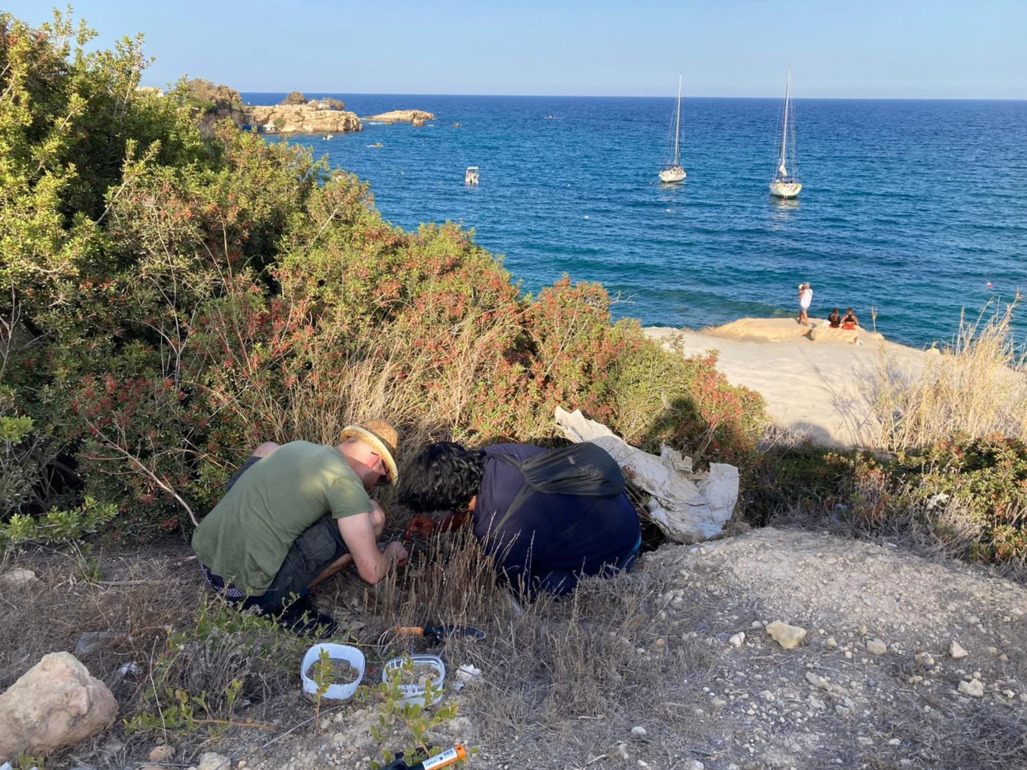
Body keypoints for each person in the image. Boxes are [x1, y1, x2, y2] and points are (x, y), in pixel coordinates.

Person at [192, 421, 409, 636]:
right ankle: (285, 605)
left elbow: (264, 453)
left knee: (269, 448)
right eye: (382, 479)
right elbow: (372, 572)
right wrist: (391, 554)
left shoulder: (296, 447)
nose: (371, 487)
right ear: (375, 461)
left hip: (207, 563)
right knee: (374, 516)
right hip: (247, 596)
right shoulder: (345, 483)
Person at [397, 442, 642, 598]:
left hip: (617, 555)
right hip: (619, 512)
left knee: (540, 586)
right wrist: (440, 525)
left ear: (449, 503)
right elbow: (471, 501)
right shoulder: (494, 454)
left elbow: (519, 590)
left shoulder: (501, 531)